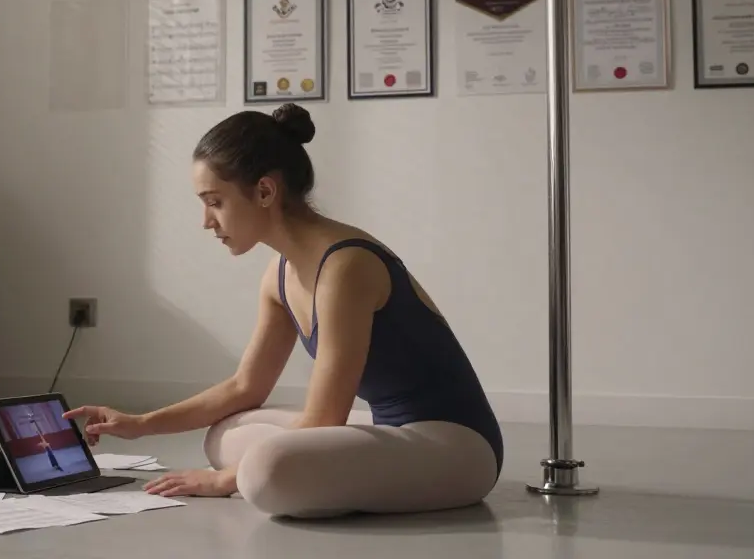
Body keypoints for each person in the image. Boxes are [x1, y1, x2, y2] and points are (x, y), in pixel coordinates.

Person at [63, 104, 503, 519]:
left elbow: (325, 417)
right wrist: (140, 423)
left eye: (214, 201)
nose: (206, 220)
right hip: (394, 434)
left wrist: (223, 481)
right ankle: (330, 477)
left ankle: (301, 477)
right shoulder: (280, 273)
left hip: (458, 449)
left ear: (265, 190)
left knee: (265, 471)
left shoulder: (346, 266)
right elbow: (244, 387)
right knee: (227, 432)